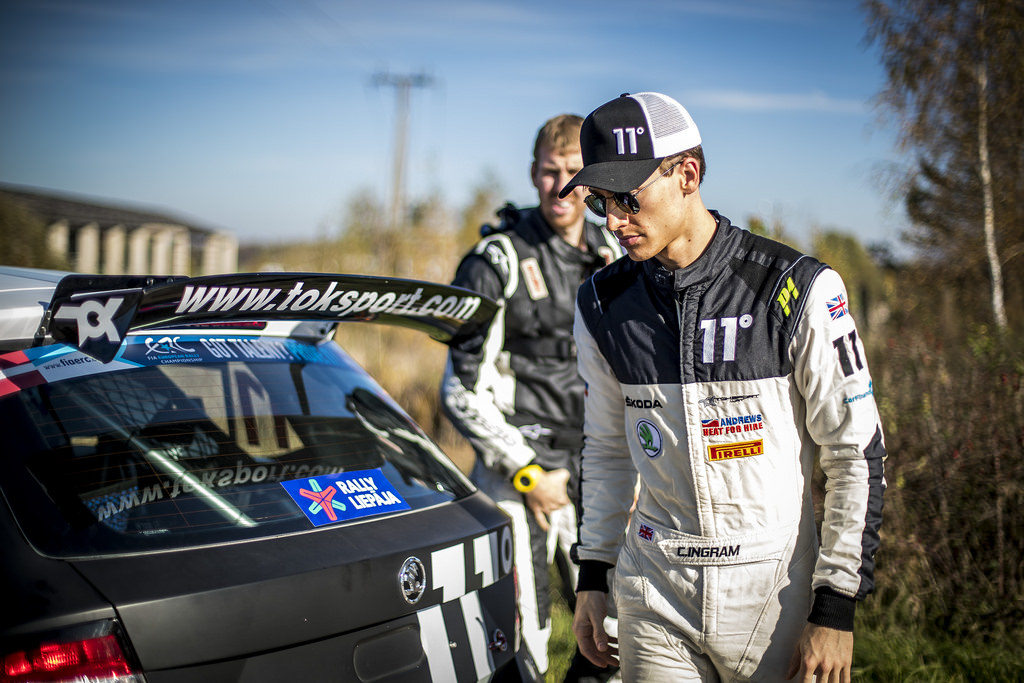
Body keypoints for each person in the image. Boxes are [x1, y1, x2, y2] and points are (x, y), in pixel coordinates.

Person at [562, 92, 887, 682]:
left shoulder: (797, 288)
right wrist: (593, 573)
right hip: (654, 584)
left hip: (771, 593)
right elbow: (608, 449)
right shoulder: (600, 303)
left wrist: (836, 605)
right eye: (599, 201)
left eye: (628, 198)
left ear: (687, 173)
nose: (612, 221)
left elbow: (854, 451)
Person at [440, 114, 622, 680]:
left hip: (591, 471)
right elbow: (459, 390)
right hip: (516, 475)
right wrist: (527, 473)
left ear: (590, 179)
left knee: (613, 640)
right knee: (524, 645)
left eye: (572, 172)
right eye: (548, 172)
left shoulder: (613, 252)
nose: (559, 185)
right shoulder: (495, 260)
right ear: (533, 173)